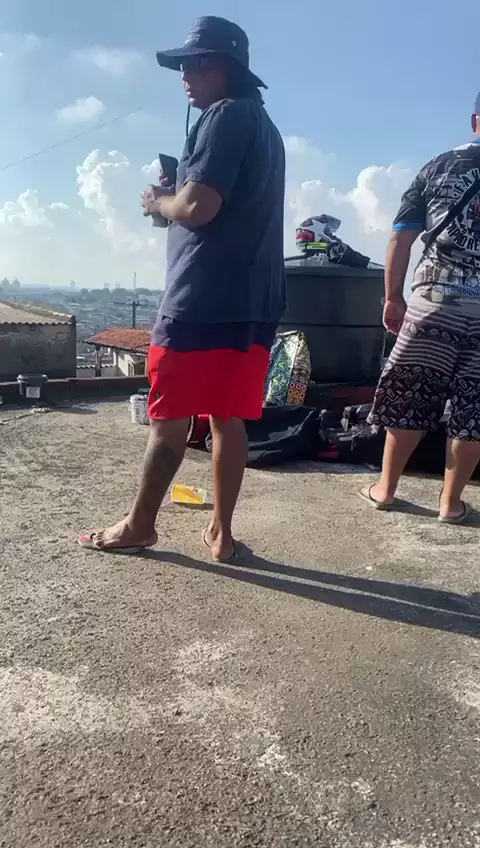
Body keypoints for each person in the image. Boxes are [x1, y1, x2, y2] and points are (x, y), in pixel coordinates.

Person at [79, 16, 286, 560]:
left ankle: (139, 526)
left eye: (199, 63)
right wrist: (178, 198)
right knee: (227, 417)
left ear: (229, 68)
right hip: (255, 301)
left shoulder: (223, 115)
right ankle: (221, 533)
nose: (186, 76)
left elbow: (198, 207)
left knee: (167, 419)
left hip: (200, 299)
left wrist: (159, 202)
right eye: (184, 66)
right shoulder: (264, 125)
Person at [360, 93, 480, 523]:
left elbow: (401, 238)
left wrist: (393, 297)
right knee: (474, 408)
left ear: (474, 120)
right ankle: (451, 503)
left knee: (412, 394)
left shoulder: (438, 166)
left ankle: (386, 489)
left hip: (434, 301)